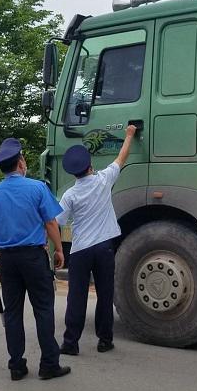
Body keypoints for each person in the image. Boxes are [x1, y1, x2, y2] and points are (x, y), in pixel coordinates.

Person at [0, 138, 71, 381]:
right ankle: (49, 364)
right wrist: (59, 250)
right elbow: (51, 222)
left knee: (12, 313)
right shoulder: (37, 188)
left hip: (7, 260)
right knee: (43, 310)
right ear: (20, 163)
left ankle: (16, 366)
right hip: (33, 258)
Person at [56, 125, 137, 356]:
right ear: (90, 165)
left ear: (74, 173)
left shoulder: (70, 194)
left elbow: (57, 222)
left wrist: (56, 249)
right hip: (104, 249)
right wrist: (130, 134)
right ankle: (105, 340)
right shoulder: (104, 180)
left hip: (80, 251)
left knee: (76, 297)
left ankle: (70, 343)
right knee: (104, 293)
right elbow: (121, 158)